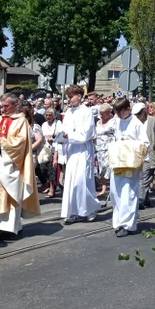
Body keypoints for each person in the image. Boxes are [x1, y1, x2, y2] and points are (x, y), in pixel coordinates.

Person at [0, 94, 41, 239]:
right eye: (2, 106)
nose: (3, 109)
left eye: (6, 106)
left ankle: (11, 228)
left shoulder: (21, 121)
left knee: (11, 195)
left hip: (13, 164)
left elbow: (21, 142)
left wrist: (0, 142)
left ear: (15, 106)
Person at [59, 86, 101, 224]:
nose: (68, 100)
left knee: (81, 181)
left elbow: (86, 133)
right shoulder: (69, 112)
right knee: (71, 182)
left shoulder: (87, 111)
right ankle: (73, 212)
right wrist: (61, 136)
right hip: (71, 151)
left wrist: (69, 135)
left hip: (83, 150)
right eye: (67, 97)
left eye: (71, 97)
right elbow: (64, 129)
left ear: (79, 96)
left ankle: (89, 209)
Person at [108, 99, 148, 237]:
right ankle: (119, 221)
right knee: (116, 192)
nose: (118, 115)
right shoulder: (117, 121)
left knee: (128, 193)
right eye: (116, 112)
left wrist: (130, 146)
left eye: (121, 111)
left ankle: (127, 224)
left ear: (127, 109)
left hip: (130, 162)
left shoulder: (136, 123)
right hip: (118, 161)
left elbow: (144, 143)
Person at [40, 108, 63, 198]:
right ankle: (48, 184)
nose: (48, 117)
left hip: (54, 148)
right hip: (45, 148)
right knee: (43, 168)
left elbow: (60, 135)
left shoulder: (58, 123)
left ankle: (52, 189)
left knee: (52, 170)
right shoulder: (44, 124)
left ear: (54, 116)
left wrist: (52, 139)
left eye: (50, 115)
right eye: (47, 115)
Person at [94, 104, 116, 198]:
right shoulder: (98, 122)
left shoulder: (113, 122)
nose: (101, 116)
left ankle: (112, 188)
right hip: (99, 149)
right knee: (101, 169)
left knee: (108, 168)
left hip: (109, 148)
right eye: (100, 114)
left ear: (108, 113)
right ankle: (104, 189)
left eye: (103, 114)